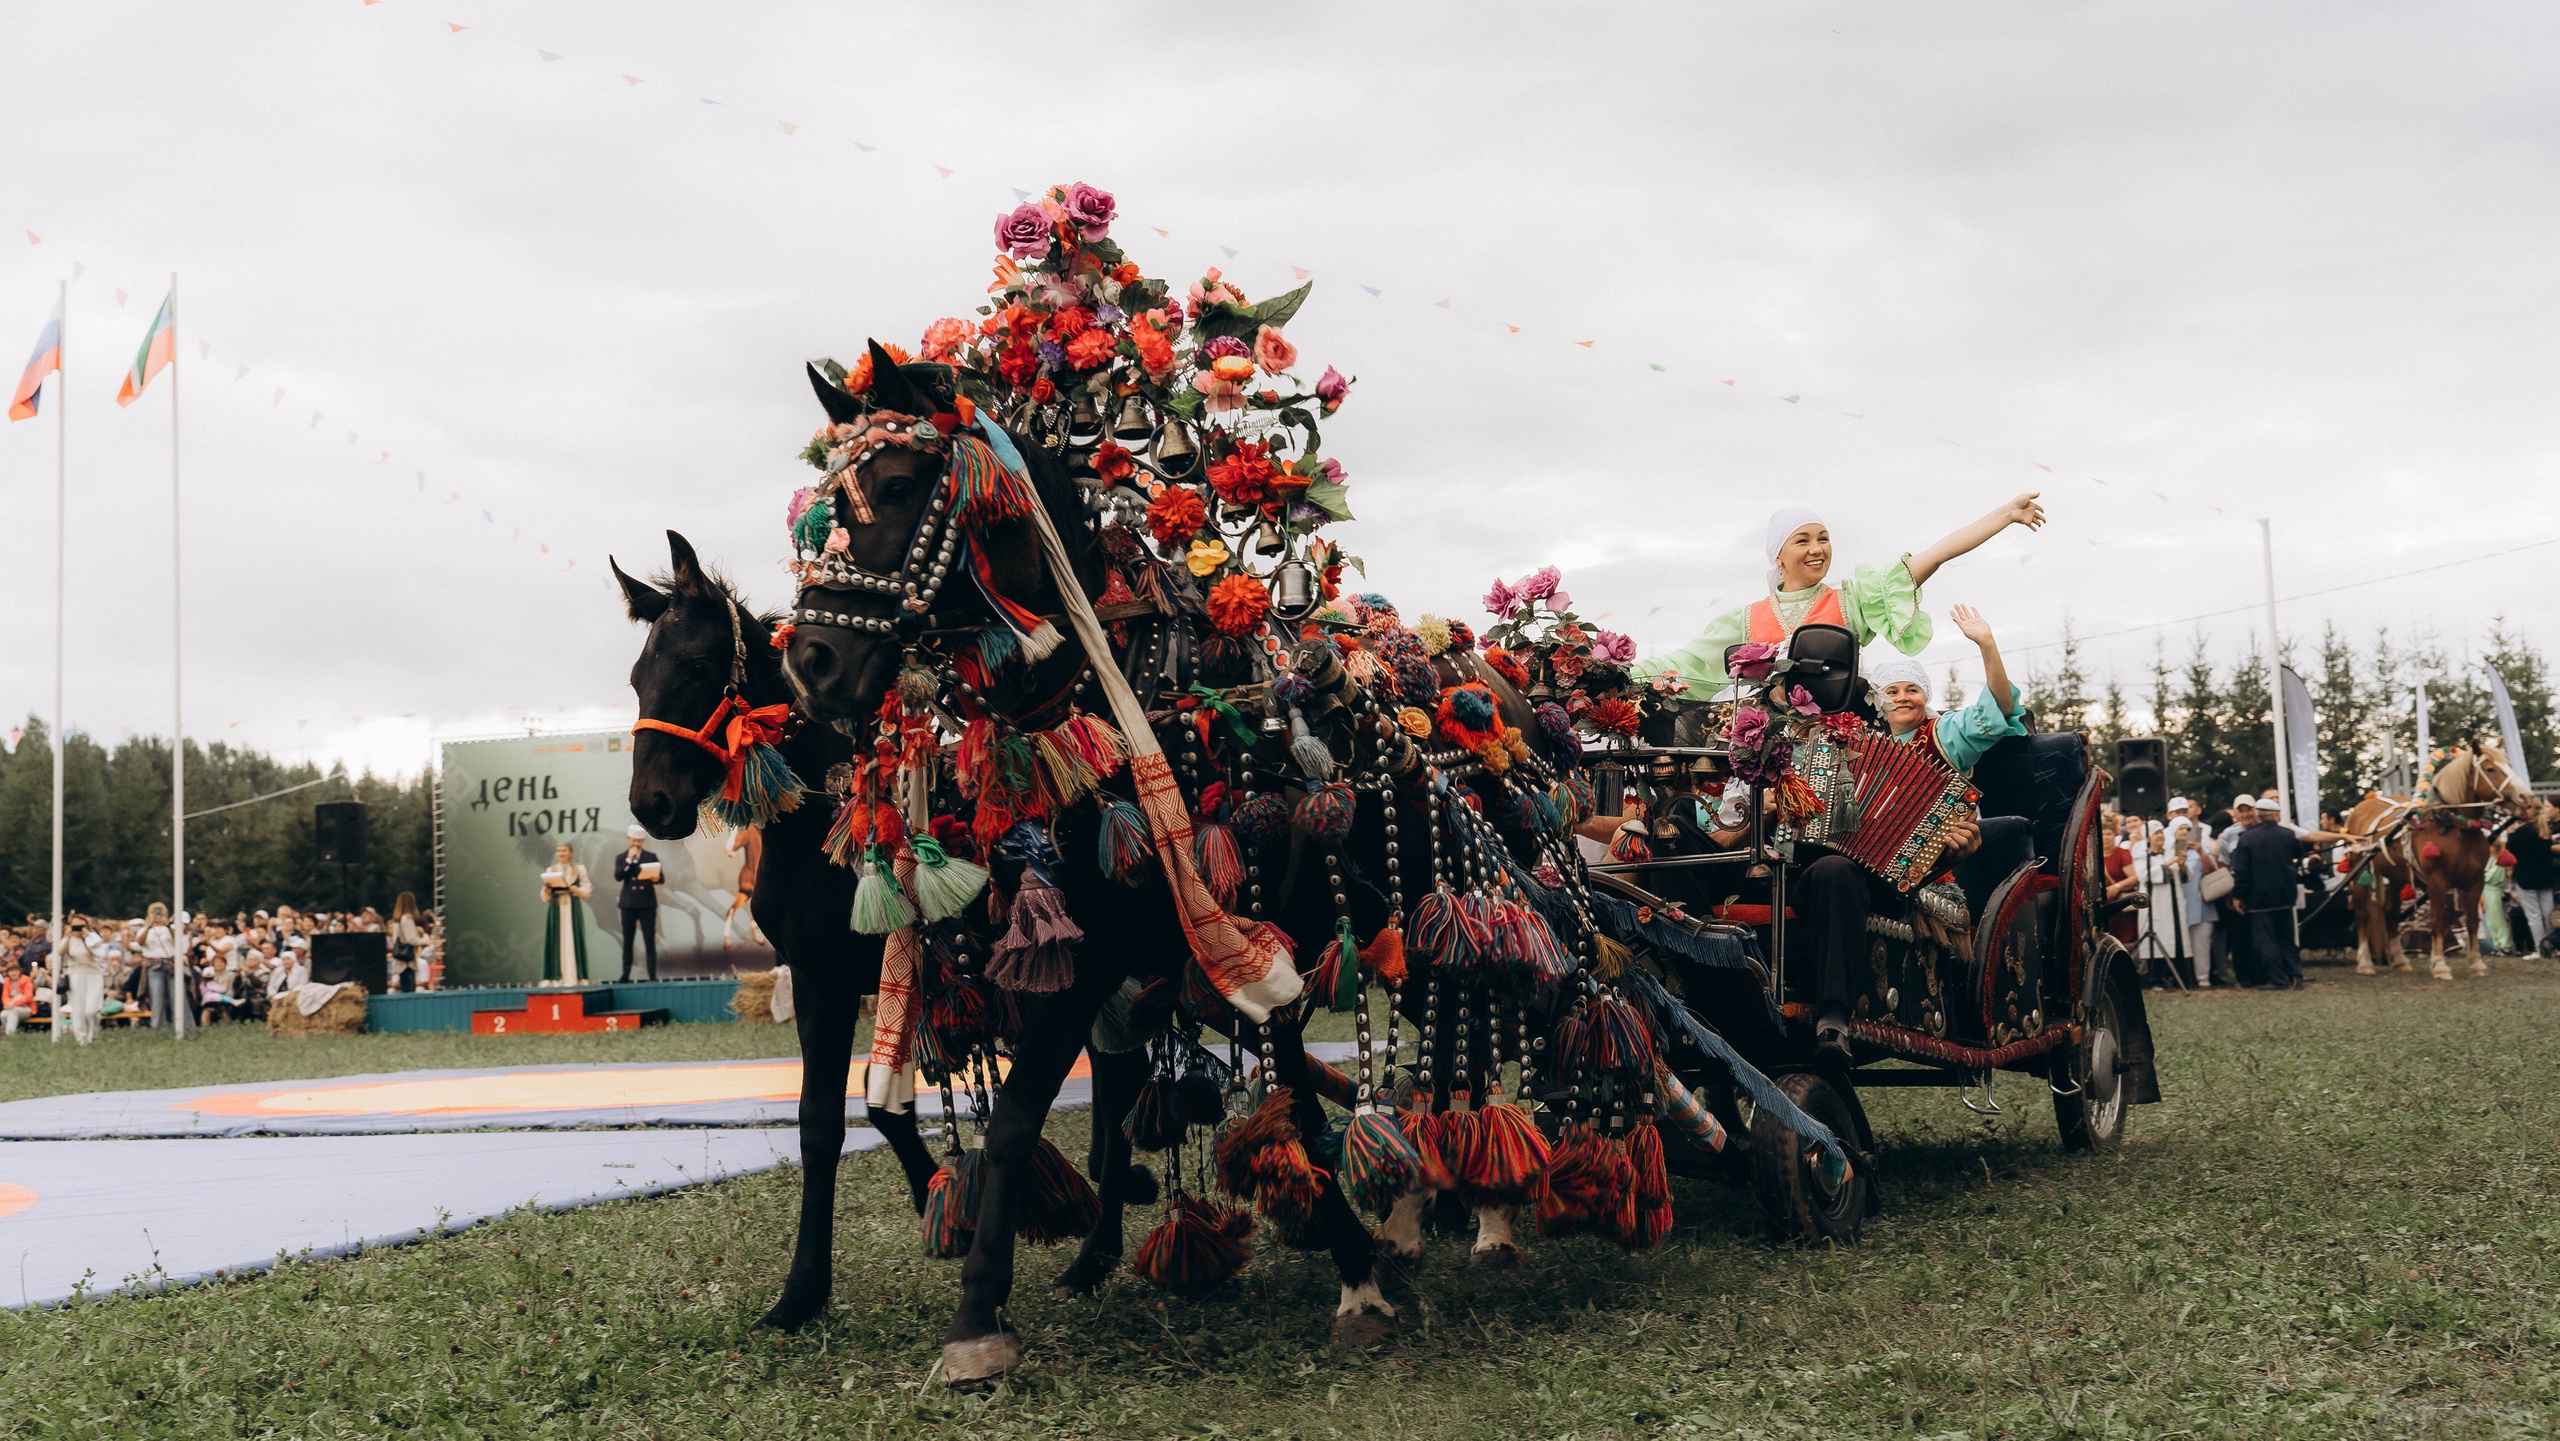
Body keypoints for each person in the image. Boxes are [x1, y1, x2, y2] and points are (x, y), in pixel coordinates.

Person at [1794, 601, 2019, 1057]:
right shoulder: (1842, 738)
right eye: (1890, 690)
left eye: (1912, 689)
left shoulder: (1945, 735)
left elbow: (1997, 709)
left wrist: (1987, 645)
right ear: (1876, 698)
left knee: (1837, 872)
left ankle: (1836, 1015)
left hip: (1916, 871)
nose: (1901, 697)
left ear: (1925, 696)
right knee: (1826, 867)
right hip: (1836, 864)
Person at [1651, 495, 2048, 693]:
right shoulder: (1745, 619)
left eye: (1823, 538)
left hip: (1843, 752)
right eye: (1802, 540)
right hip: (1768, 764)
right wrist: (1607, 673)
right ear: (1778, 556)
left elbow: (1936, 556)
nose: (1817, 549)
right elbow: (1684, 665)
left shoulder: (1854, 601)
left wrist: (2005, 516)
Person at [2230, 795, 2309, 989]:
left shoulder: (2246, 838)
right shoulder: (2287, 835)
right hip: (2285, 894)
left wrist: (2238, 895)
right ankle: (2296, 976)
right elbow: (2299, 856)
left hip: (2258, 898)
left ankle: (2278, 979)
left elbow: (2242, 872)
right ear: (2274, 816)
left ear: (2257, 816)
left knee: (2266, 941)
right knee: (2287, 939)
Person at [2164, 797, 2219, 987]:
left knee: (2202, 941)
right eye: (2180, 828)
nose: (2185, 832)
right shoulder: (2165, 845)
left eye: (2187, 828)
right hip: (2175, 902)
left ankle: (2202, 977)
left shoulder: (2200, 844)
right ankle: (2182, 977)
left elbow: (2212, 870)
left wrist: (2201, 851)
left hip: (2200, 901)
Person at [2505, 799, 2558, 955]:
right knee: (2548, 913)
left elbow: (2510, 851)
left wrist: (2510, 831)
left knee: (2534, 915)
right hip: (2545, 876)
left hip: (2525, 877)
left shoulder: (2520, 832)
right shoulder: (2544, 830)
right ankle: (2552, 946)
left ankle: (2540, 948)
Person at [612, 826, 664, 981]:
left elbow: (661, 878)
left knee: (649, 939)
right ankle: (626, 973)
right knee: (628, 940)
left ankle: (652, 973)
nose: (636, 843)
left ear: (643, 841)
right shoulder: (622, 857)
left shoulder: (651, 856)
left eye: (639, 841)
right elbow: (618, 876)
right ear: (628, 840)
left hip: (646, 902)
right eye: (633, 840)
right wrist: (629, 859)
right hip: (628, 903)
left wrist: (656, 878)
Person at [540, 841, 594, 986]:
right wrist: (547, 890)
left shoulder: (578, 869)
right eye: (558, 851)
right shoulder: (551, 870)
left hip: (572, 906)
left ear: (571, 852)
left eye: (564, 850)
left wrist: (576, 890)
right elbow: (544, 896)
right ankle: (555, 977)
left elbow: (587, 890)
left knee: (574, 937)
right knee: (555, 938)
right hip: (556, 907)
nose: (561, 853)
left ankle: (577, 976)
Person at [59, 917, 107, 1044]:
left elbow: (99, 954)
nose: (78, 929)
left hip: (94, 974)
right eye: (75, 926)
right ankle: (81, 1039)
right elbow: (60, 953)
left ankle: (94, 1035)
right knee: (78, 1009)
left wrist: (86, 937)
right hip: (75, 974)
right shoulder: (68, 940)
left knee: (92, 1009)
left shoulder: (93, 938)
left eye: (81, 926)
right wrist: (69, 936)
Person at [723, 825, 766, 949]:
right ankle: (727, 933)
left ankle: (754, 927)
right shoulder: (746, 872)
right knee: (737, 902)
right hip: (749, 874)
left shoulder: (753, 830)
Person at [389, 893, 429, 993]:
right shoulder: (407, 918)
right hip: (407, 961)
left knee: (404, 987)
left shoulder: (397, 921)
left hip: (399, 959)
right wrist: (425, 941)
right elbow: (411, 939)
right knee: (409, 989)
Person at [1, 961, 34, 1035]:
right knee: (3, 1015)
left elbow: (28, 996)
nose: (14, 973)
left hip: (26, 1008)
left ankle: (9, 1035)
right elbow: (5, 996)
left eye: (16, 970)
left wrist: (14, 1003)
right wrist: (8, 1004)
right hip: (11, 1007)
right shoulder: (7, 981)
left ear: (19, 971)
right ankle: (13, 1034)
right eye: (11, 971)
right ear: (8, 972)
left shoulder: (26, 979)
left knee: (13, 1011)